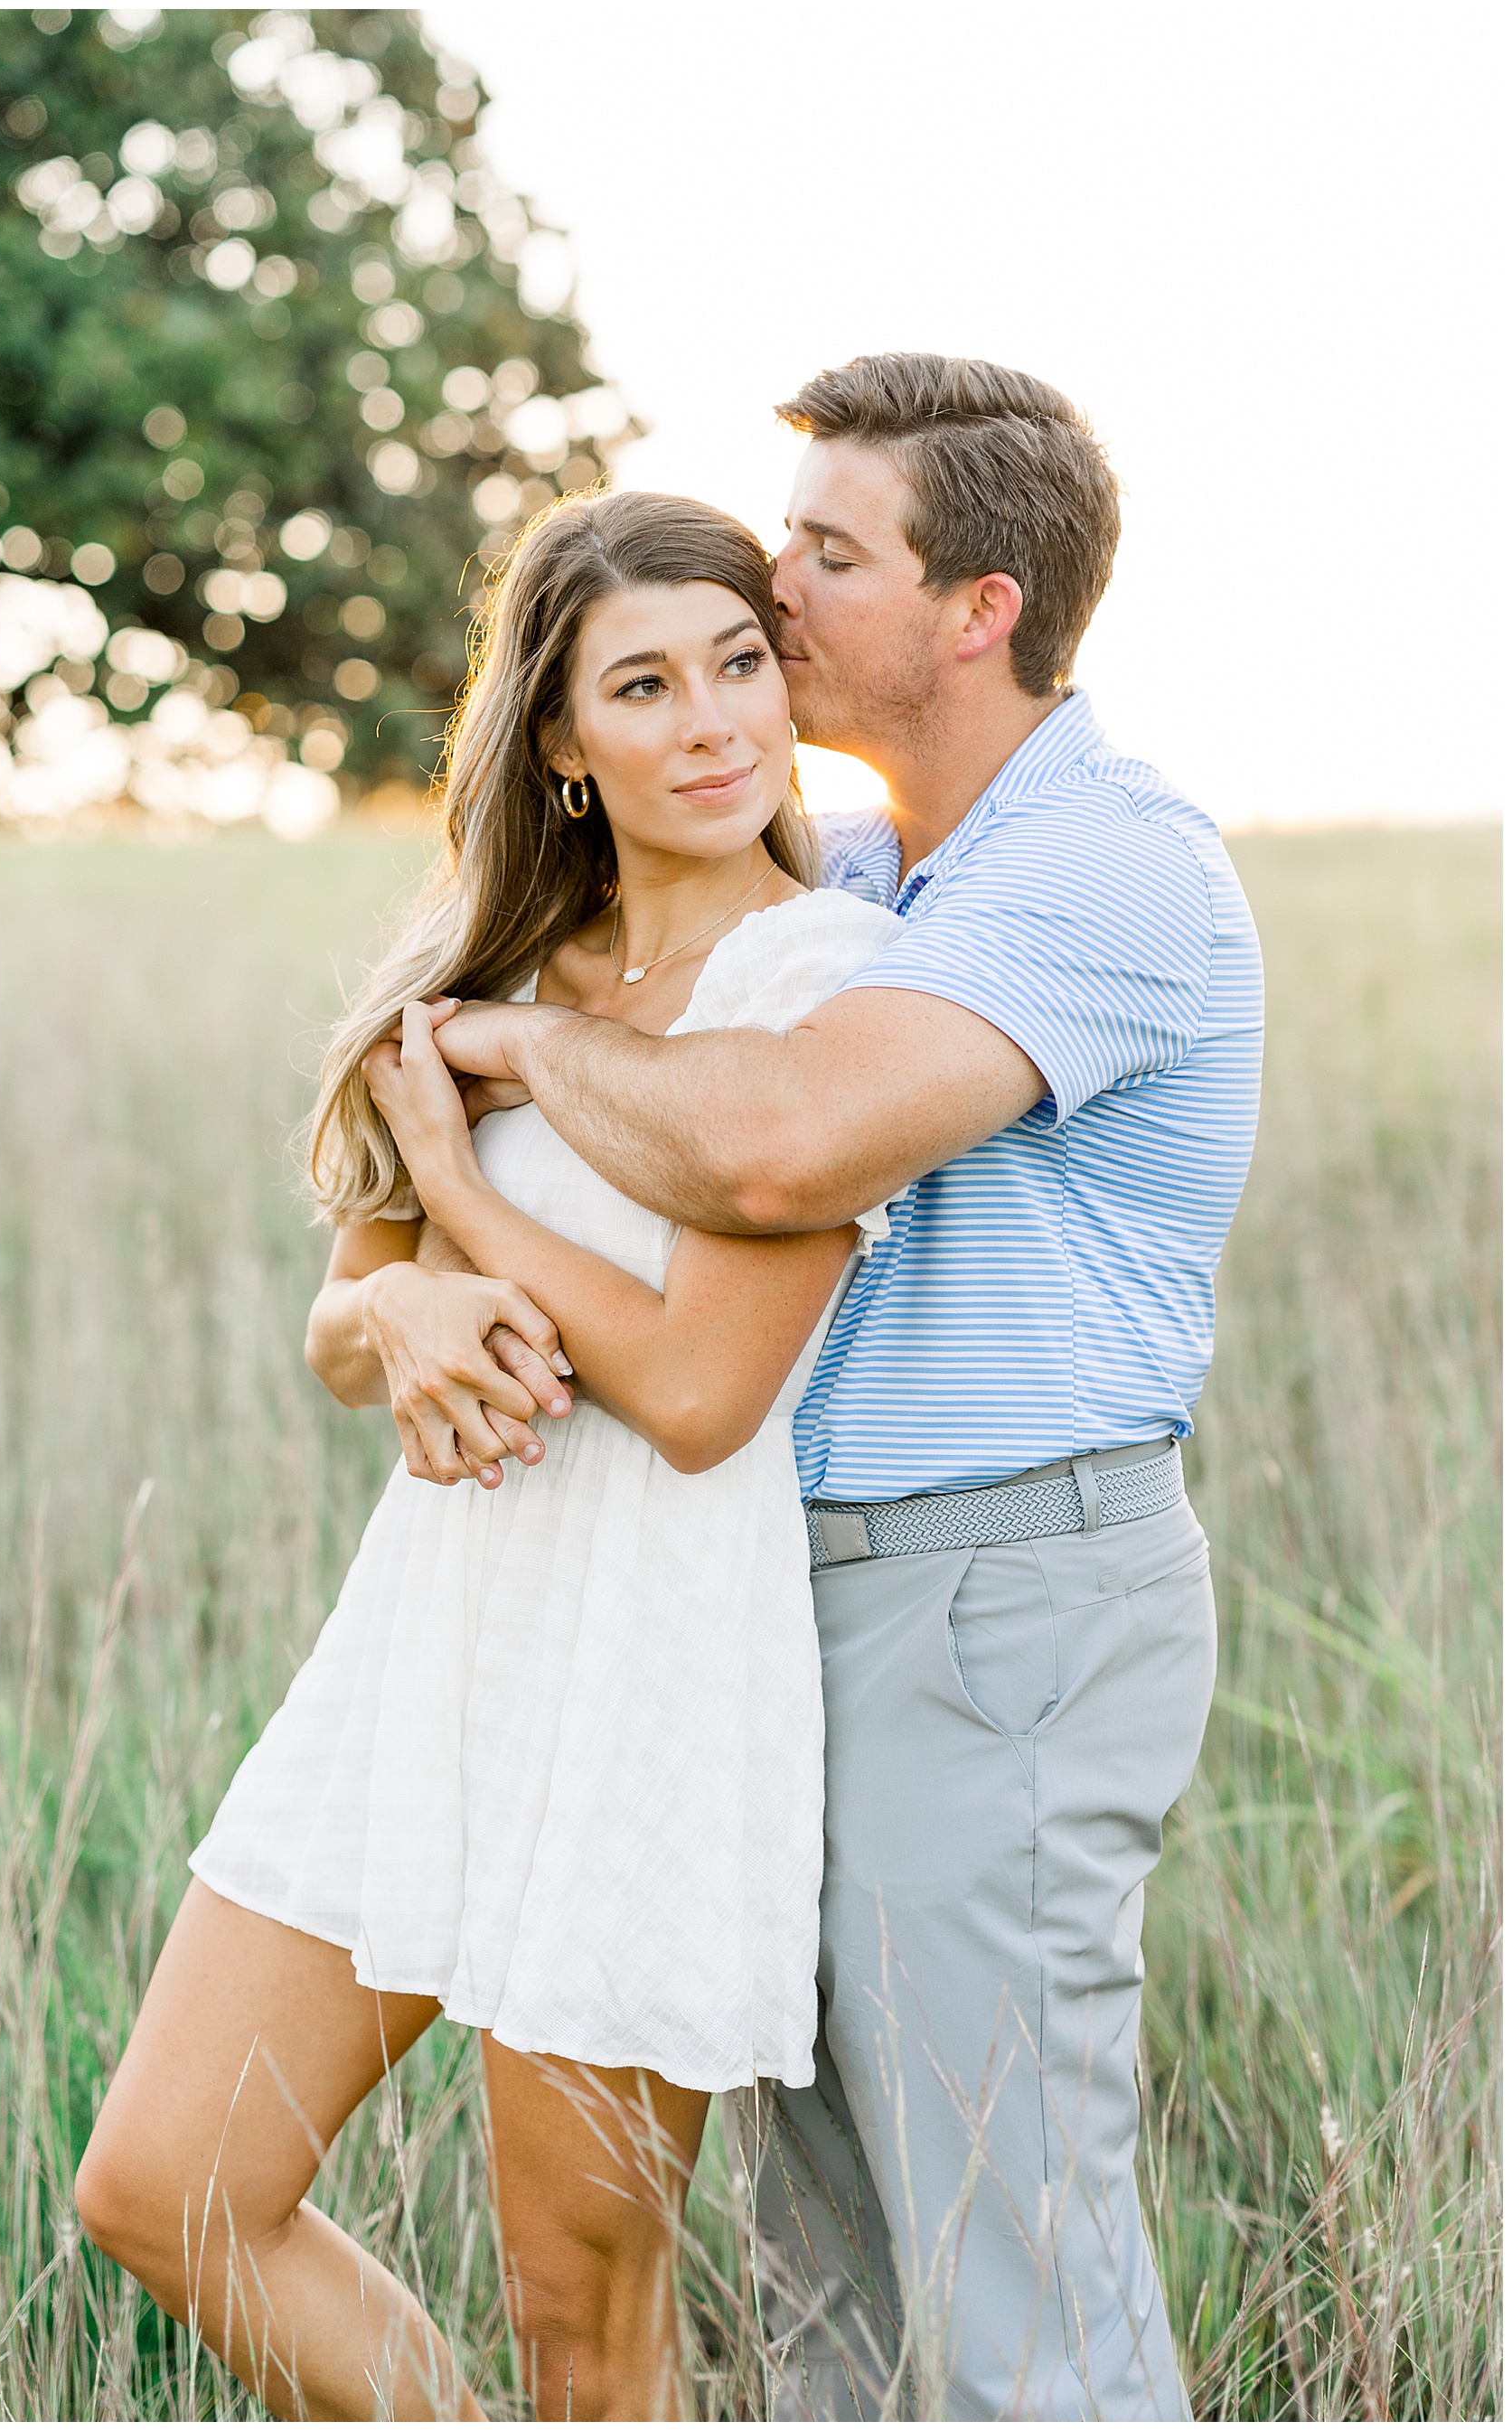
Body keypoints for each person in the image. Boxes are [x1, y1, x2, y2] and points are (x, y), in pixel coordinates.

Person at [427, 354, 1267, 2419]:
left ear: (979, 607)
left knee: (1014, 2284)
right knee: (834, 2306)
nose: (774, 588)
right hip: (796, 1609)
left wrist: (516, 1056)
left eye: (826, 549)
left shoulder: (1107, 870)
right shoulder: (893, 878)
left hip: (999, 1608)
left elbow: (782, 1143)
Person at [72, 489, 906, 2423]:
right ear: (559, 737)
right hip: (428, 1643)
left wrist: (464, 1195)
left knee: (577, 2319)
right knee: (166, 2184)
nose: (712, 719)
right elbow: (343, 1322)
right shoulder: (497, 963)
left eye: (740, 661)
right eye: (644, 681)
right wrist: (407, 1305)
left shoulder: (824, 983)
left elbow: (703, 1393)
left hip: (648, 1662)